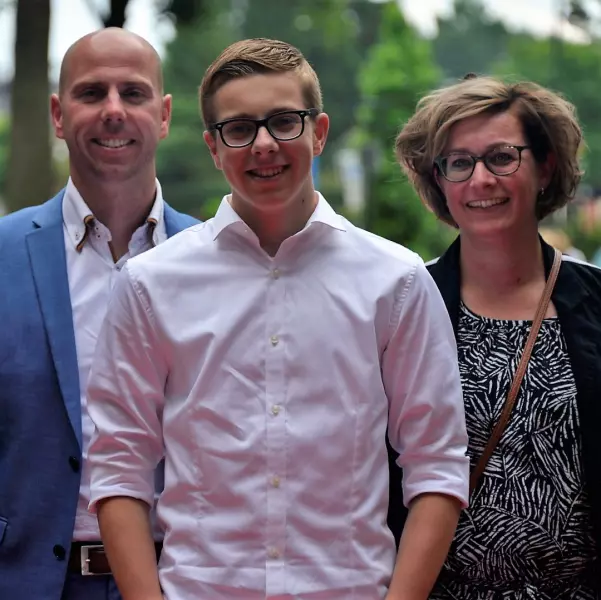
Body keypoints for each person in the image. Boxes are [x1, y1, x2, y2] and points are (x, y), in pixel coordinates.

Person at [85, 38, 469, 600]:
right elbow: (119, 464)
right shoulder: (150, 284)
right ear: (214, 147)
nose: (264, 144)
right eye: (239, 129)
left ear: (319, 132)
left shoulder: (397, 280)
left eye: (285, 122)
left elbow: (437, 463)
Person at [0, 28, 198, 600]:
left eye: (133, 93)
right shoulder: (3, 256)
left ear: (163, 115)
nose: (113, 110)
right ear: (58, 116)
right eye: (92, 93)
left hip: (181, 581)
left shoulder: (217, 260)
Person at [392, 75, 601, 599]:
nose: (481, 179)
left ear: (545, 166)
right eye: (459, 163)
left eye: (502, 157)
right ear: (439, 181)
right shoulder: (403, 305)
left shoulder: (596, 302)